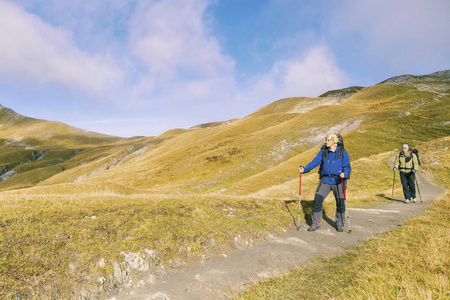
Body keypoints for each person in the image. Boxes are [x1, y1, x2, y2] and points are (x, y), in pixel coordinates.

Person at [298, 134, 351, 232]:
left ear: (334, 141)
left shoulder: (342, 152)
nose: (326, 142)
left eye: (328, 140)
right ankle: (315, 224)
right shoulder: (323, 152)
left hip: (339, 181)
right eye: (326, 140)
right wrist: (304, 169)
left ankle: (339, 224)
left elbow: (347, 166)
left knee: (340, 203)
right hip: (325, 180)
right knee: (317, 200)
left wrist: (345, 174)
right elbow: (315, 162)